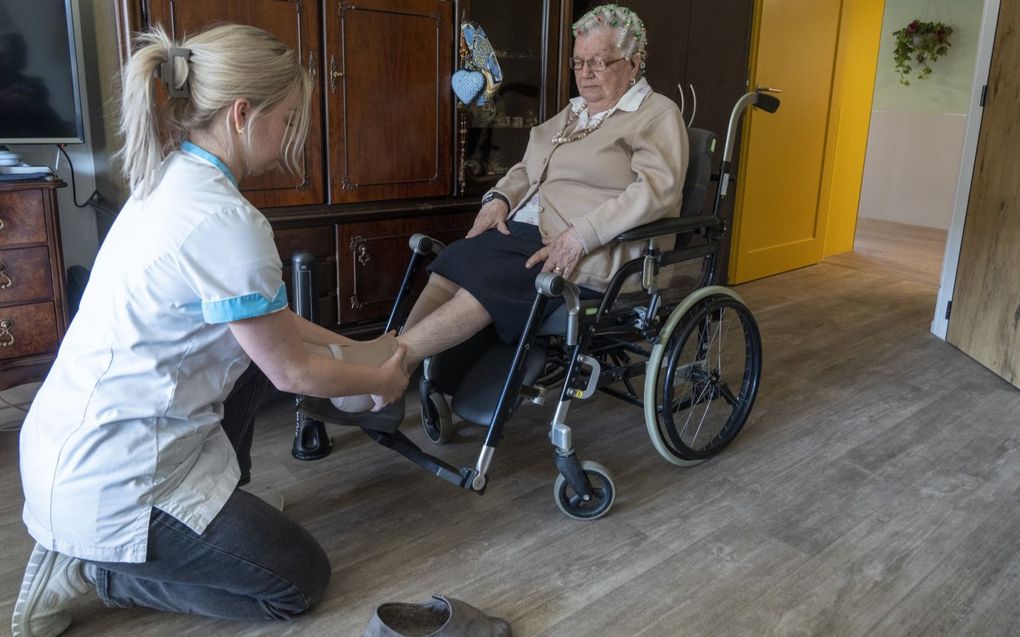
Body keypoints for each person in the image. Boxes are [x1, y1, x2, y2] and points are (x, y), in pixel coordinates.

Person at [13, 24, 409, 637]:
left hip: (67, 443)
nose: (291, 140)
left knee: (246, 357)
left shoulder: (168, 179)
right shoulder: (228, 222)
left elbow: (269, 326)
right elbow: (292, 370)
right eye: (289, 120)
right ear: (243, 114)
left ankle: (206, 522)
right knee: (297, 581)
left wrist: (354, 347)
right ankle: (101, 572)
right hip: (115, 480)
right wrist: (377, 378)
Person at [396, 4, 689, 371]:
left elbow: (656, 191)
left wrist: (580, 235)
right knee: (453, 262)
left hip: (590, 251)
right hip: (528, 234)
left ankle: (391, 365)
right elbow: (526, 168)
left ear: (633, 62)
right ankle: (395, 364)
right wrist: (499, 199)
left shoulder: (656, 113)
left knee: (488, 282)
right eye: (578, 62)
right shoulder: (574, 112)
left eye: (598, 62)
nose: (585, 74)